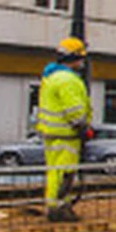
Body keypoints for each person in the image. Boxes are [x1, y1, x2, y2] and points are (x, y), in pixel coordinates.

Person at [37, 37, 92, 222]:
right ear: (75, 58)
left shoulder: (51, 76)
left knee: (54, 172)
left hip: (52, 133)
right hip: (67, 134)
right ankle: (58, 209)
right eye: (81, 58)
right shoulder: (68, 80)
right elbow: (75, 111)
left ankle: (56, 205)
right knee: (65, 173)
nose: (82, 63)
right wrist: (84, 128)